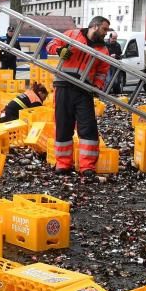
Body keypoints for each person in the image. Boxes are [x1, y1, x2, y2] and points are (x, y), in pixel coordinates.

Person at [47, 16, 111, 176]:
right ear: (94, 26)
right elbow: (50, 44)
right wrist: (59, 50)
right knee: (63, 127)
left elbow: (102, 72)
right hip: (64, 86)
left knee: (88, 128)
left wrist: (97, 86)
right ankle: (63, 164)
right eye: (104, 29)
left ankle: (87, 167)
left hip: (84, 91)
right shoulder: (72, 34)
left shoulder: (103, 50)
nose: (105, 33)